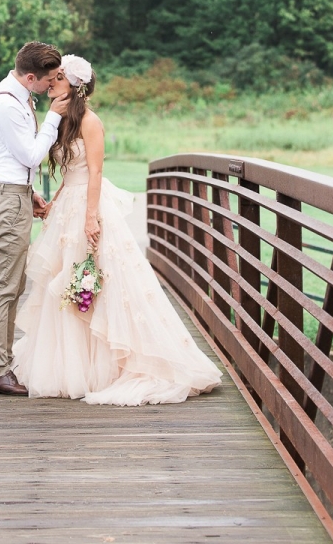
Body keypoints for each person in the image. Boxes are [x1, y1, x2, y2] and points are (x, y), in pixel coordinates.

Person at [12, 54, 222, 405]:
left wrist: (91, 217)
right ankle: (71, 366)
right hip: (68, 206)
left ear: (75, 86)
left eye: (59, 77)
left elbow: (94, 172)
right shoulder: (61, 121)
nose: (52, 81)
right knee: (65, 281)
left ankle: (116, 364)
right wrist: (54, 203)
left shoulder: (91, 122)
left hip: (90, 205)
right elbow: (69, 173)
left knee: (97, 278)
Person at [0, 41, 69, 396]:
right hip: (2, 201)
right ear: (30, 77)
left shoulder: (19, 96)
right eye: (47, 82)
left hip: (11, 196)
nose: (51, 88)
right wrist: (54, 117)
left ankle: (3, 364)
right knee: (3, 288)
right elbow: (31, 154)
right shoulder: (6, 104)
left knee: (12, 285)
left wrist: (27, 192)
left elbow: (9, 157)